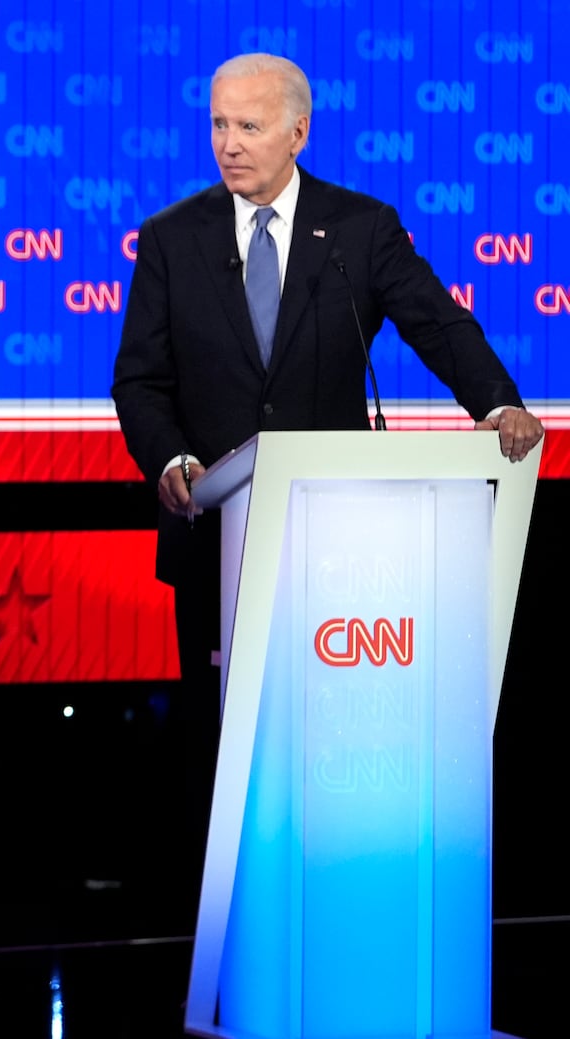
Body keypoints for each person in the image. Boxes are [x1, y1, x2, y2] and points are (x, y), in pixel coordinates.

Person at [111, 52, 543, 883]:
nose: (228, 144)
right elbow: (139, 378)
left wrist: (496, 404)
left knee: (328, 736)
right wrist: (171, 457)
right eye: (217, 125)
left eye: (249, 125)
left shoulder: (358, 230)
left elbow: (439, 326)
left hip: (340, 549)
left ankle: (339, 883)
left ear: (298, 131)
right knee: (223, 740)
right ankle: (230, 911)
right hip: (217, 544)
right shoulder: (173, 237)